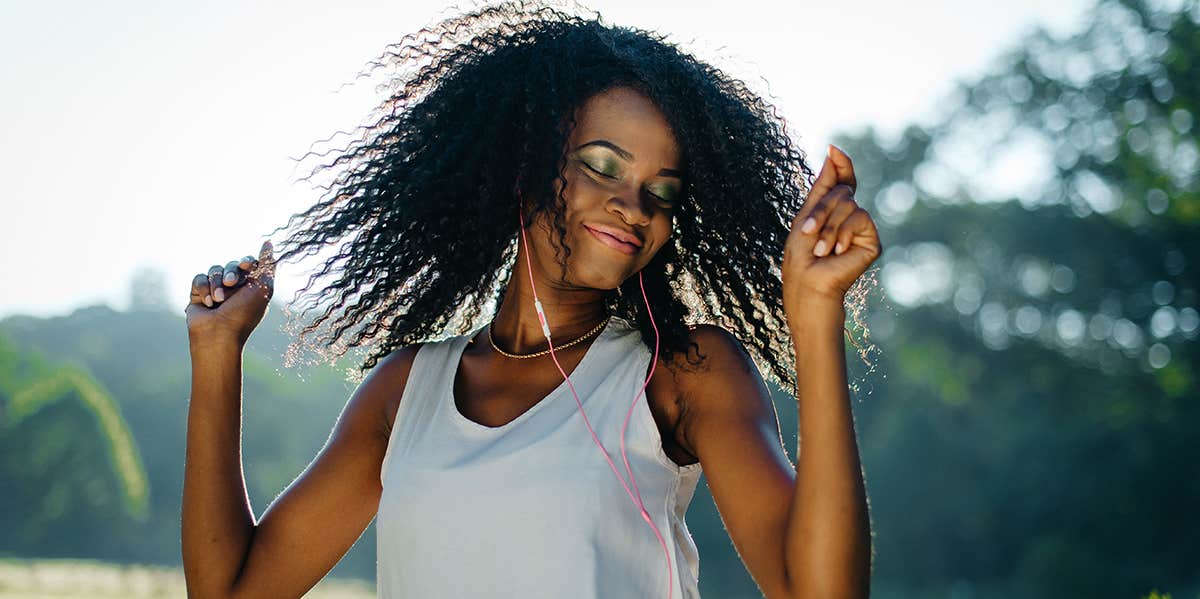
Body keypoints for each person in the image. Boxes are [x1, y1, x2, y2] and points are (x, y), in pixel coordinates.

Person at [181, 2, 880, 598]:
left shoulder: (680, 373)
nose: (632, 205)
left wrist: (815, 315)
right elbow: (233, 590)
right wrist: (217, 356)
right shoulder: (404, 390)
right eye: (602, 165)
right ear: (527, 167)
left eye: (660, 191)